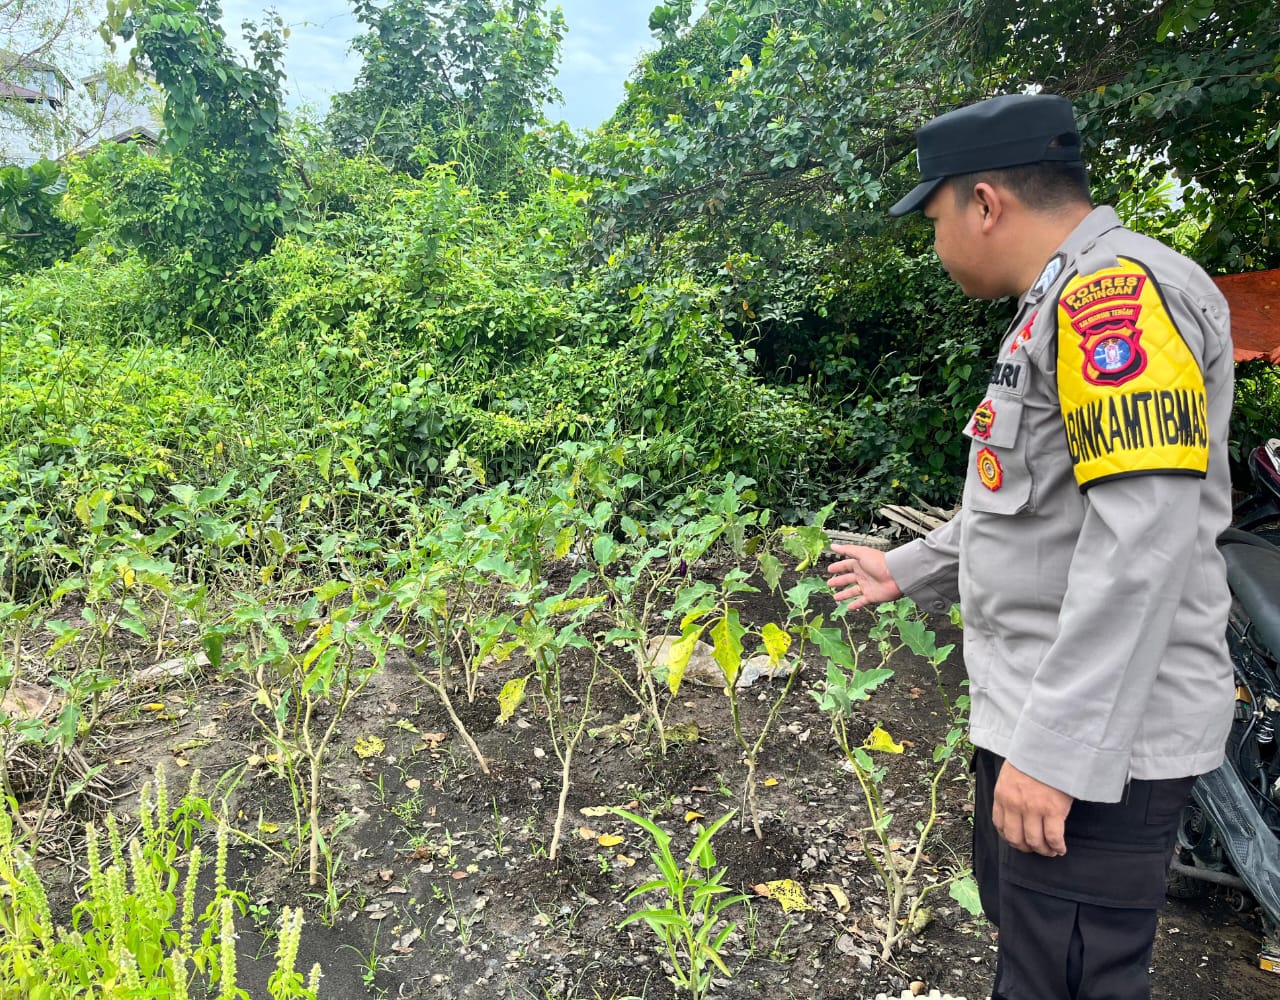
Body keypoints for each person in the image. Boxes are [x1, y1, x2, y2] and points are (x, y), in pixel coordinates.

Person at [827, 93, 1236, 1000]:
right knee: (1034, 959)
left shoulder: (1115, 301)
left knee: (1067, 979)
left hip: (1095, 751)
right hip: (1046, 720)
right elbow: (1032, 502)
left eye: (935, 220)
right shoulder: (1056, 301)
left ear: (984, 203)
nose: (936, 247)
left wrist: (1053, 754)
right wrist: (909, 568)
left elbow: (1140, 542)